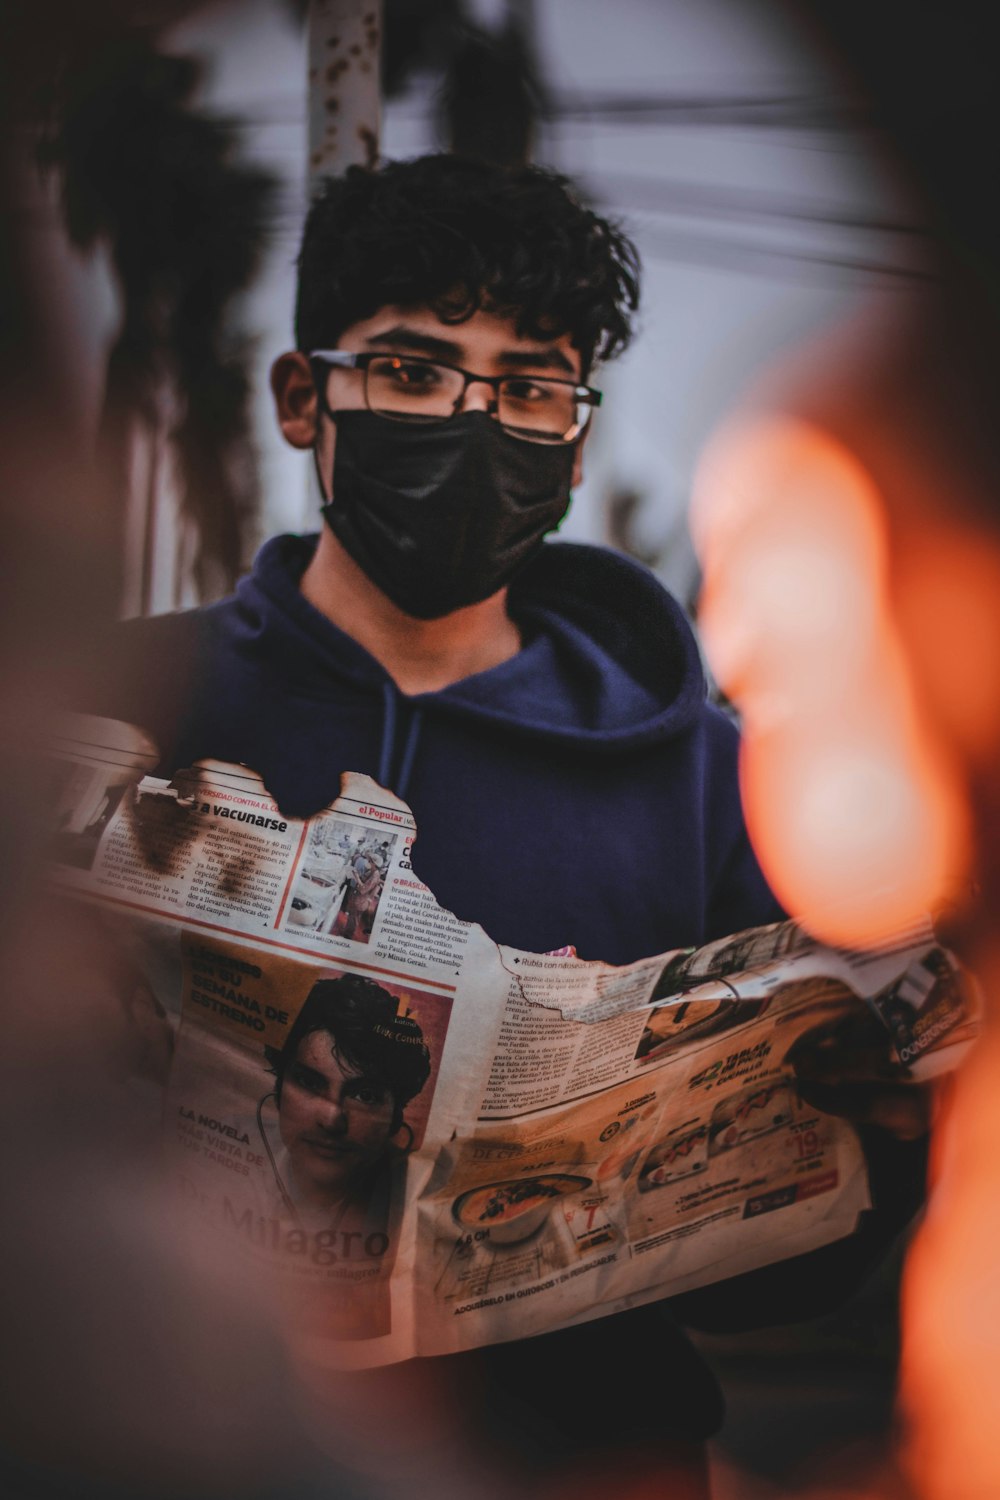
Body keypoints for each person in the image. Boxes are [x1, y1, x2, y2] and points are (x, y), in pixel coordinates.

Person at [85, 153, 926, 1496]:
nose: (472, 426)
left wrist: (868, 1152)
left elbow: (782, 1274)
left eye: (529, 386)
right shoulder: (118, 701)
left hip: (588, 1466)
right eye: (413, 371)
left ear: (576, 439)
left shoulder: (721, 784)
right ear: (306, 399)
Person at [258, 973, 430, 1226]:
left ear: (395, 1117)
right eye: (309, 1082)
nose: (331, 1120)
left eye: (365, 1095)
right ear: (279, 1086)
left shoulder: (417, 1189)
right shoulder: (226, 1153)